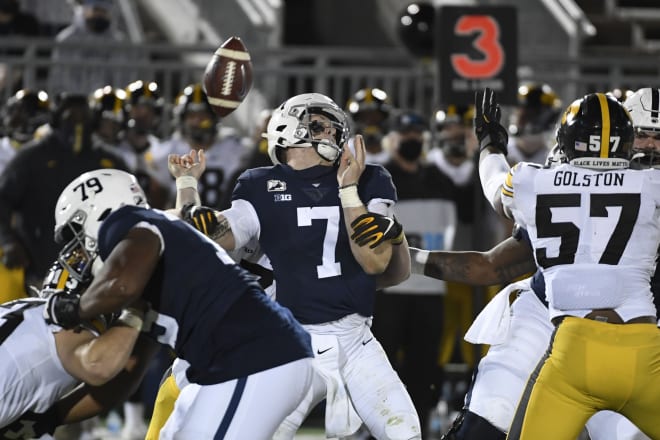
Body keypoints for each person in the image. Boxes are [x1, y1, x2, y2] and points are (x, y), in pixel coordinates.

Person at [167, 92, 420, 439]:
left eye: (332, 126)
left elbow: (374, 262)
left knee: (404, 432)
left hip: (355, 338)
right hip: (292, 344)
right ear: (287, 129)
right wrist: (187, 186)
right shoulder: (258, 184)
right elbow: (211, 240)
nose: (332, 133)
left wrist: (348, 190)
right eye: (319, 125)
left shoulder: (370, 178)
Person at [42, 168, 315, 439]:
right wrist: (50, 417)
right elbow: (123, 379)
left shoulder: (130, 223)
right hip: (231, 364)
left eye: (77, 231)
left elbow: (121, 286)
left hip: (254, 357)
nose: (80, 250)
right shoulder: (152, 264)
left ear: (97, 211)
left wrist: (72, 308)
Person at [475, 87, 660, 438]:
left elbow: (494, 185)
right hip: (641, 345)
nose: (651, 147)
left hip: (573, 345)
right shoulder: (652, 184)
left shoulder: (536, 182)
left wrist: (489, 145)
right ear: (626, 139)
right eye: (644, 136)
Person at [374, 110, 457, 437]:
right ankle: (378, 429)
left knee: (423, 369)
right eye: (405, 135)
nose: (411, 141)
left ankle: (417, 429)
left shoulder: (441, 179)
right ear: (392, 138)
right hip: (389, 289)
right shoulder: (379, 180)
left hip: (430, 289)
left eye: (417, 135)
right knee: (382, 367)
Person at [0, 258, 145, 436]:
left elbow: (116, 384)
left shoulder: (26, 311)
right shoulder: (60, 327)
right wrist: (137, 312)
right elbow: (99, 366)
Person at [0, 93, 127, 291]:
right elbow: (2, 200)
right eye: (70, 117)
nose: (78, 123)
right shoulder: (31, 158)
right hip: (38, 269)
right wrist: (8, 241)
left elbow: (134, 210)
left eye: (83, 117)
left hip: (97, 274)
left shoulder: (109, 162)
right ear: (57, 120)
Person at [154, 83, 247, 210]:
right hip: (183, 223)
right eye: (192, 116)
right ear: (182, 119)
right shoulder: (167, 151)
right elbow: (158, 197)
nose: (197, 121)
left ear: (213, 118)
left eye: (203, 116)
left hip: (226, 220)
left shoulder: (233, 148)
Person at [48, 0, 137, 95]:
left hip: (107, 100)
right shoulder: (66, 40)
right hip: (75, 101)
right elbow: (60, 77)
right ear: (85, 10)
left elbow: (123, 78)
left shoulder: (119, 42)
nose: (99, 15)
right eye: (96, 10)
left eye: (104, 11)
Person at [505, 83, 561, 166]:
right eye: (520, 113)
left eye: (529, 115)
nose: (520, 119)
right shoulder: (502, 151)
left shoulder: (555, 158)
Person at [345, 87, 394, 164]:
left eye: (375, 117)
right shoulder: (345, 151)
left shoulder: (396, 149)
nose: (370, 122)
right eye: (364, 117)